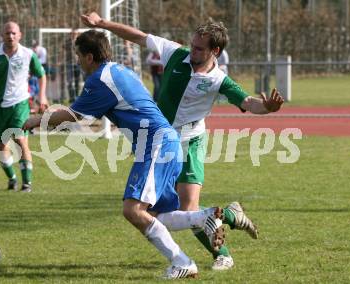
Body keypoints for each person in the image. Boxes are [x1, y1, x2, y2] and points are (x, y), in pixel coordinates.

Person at [81, 12, 284, 270]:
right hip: (161, 142)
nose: (193, 52)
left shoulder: (218, 80)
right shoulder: (176, 53)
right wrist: (102, 24)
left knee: (188, 207)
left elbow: (247, 102)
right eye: (192, 45)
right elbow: (139, 37)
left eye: (199, 49)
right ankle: (231, 215)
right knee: (160, 213)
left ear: (216, 51)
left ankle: (223, 253)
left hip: (190, 142)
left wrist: (267, 107)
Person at [23, 30, 227, 279]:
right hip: (164, 143)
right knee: (156, 215)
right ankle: (202, 219)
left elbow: (77, 116)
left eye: (78, 55)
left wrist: (36, 120)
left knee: (132, 210)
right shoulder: (119, 70)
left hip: (156, 144)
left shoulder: (100, 79)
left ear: (89, 56)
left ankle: (182, 260)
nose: (77, 61)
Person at [0, 21, 48, 193]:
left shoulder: (28, 54)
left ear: (20, 35)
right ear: (2, 35)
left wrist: (42, 96)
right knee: (0, 146)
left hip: (19, 104)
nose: (11, 36)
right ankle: (12, 179)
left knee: (20, 140)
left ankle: (27, 183)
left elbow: (41, 75)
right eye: (7, 33)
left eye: (14, 33)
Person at [64, 30, 81, 103]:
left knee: (77, 81)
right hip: (69, 63)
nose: (74, 35)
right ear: (70, 35)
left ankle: (77, 97)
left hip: (78, 64)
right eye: (72, 34)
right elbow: (63, 51)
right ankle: (71, 98)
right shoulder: (67, 42)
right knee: (70, 81)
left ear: (77, 34)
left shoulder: (80, 42)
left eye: (75, 34)